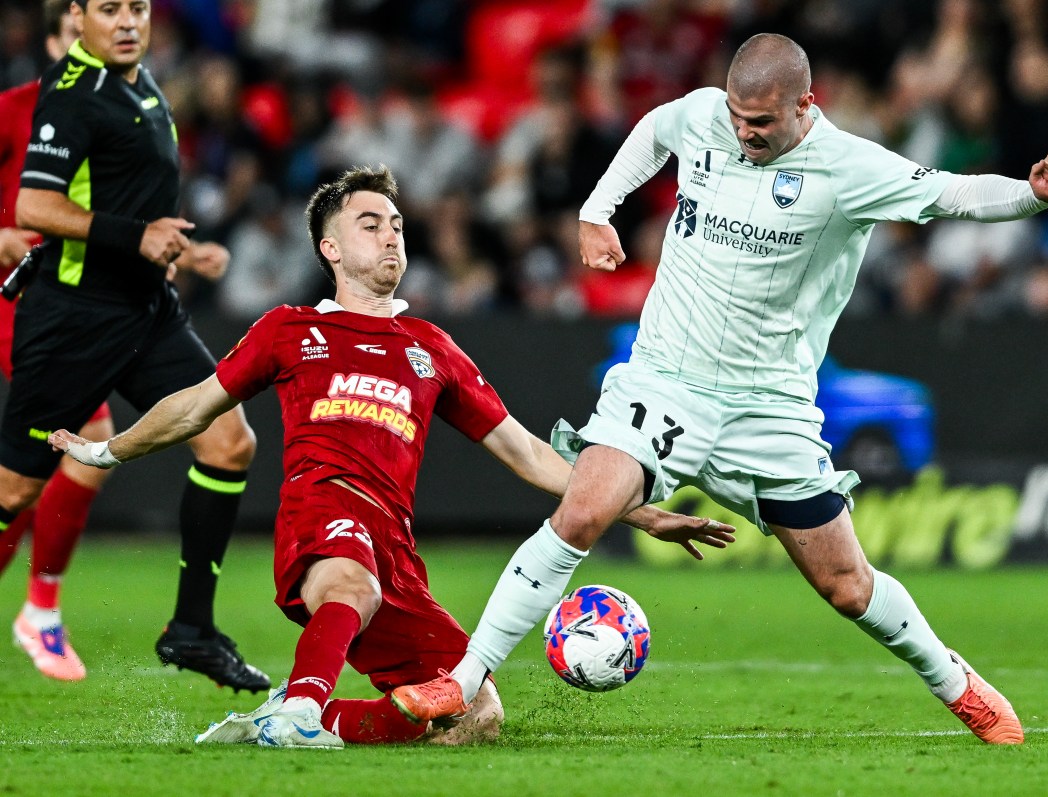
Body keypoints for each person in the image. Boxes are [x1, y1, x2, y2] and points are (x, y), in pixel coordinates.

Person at [393, 33, 1048, 745]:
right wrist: (598, 209)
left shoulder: (849, 166)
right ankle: (464, 680)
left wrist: (1034, 195)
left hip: (769, 406)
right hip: (666, 378)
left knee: (846, 585)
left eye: (760, 122)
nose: (743, 133)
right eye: (736, 116)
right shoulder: (705, 116)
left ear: (805, 104)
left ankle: (956, 683)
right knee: (581, 513)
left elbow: (953, 194)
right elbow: (654, 129)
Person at [50, 165, 733, 748]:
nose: (390, 236)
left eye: (398, 225)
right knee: (352, 586)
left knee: (474, 714)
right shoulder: (290, 329)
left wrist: (637, 512)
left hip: (395, 550)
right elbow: (194, 406)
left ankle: (298, 722)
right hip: (323, 513)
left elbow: (524, 450)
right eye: (371, 224)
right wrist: (107, 451)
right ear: (331, 248)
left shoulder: (431, 347)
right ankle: (301, 709)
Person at [10, 0, 266, 692]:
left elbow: (127, 196)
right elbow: (33, 206)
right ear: (77, 16)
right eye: (109, 9)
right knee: (14, 489)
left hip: (147, 310)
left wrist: (175, 247)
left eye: (138, 7)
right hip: (76, 320)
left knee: (227, 442)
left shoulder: (142, 82)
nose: (127, 22)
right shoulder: (73, 94)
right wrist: (137, 236)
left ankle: (192, 630)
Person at [0, 0, 113, 682]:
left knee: (31, 471)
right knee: (89, 441)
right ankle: (40, 609)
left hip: (87, 304)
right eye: (75, 34)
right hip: (20, 300)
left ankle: (39, 609)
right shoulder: (14, 110)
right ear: (52, 42)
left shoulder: (121, 114)